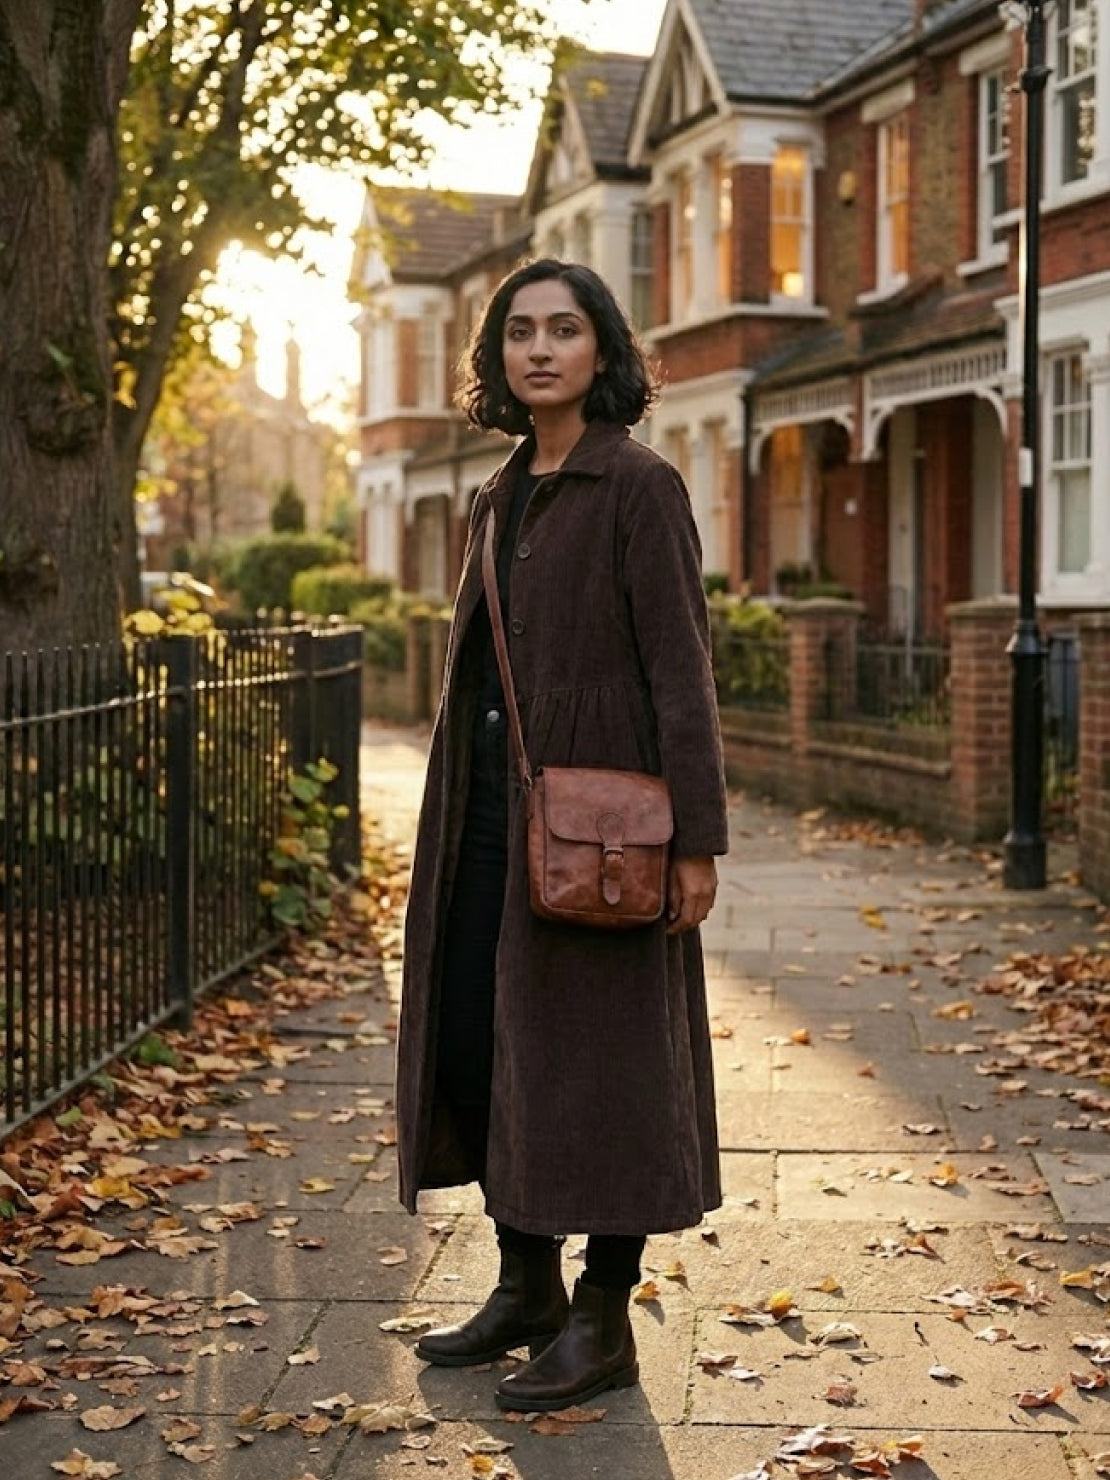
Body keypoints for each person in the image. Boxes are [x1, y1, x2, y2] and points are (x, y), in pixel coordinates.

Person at [394, 258, 729, 1414]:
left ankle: (603, 1313)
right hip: (487, 816)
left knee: (611, 1067)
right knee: (490, 1045)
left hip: (608, 831)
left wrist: (696, 840)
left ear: (603, 351)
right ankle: (525, 1282)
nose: (540, 349)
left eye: (565, 330)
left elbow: (682, 673)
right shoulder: (497, 494)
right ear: (497, 358)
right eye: (520, 332)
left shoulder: (638, 486)